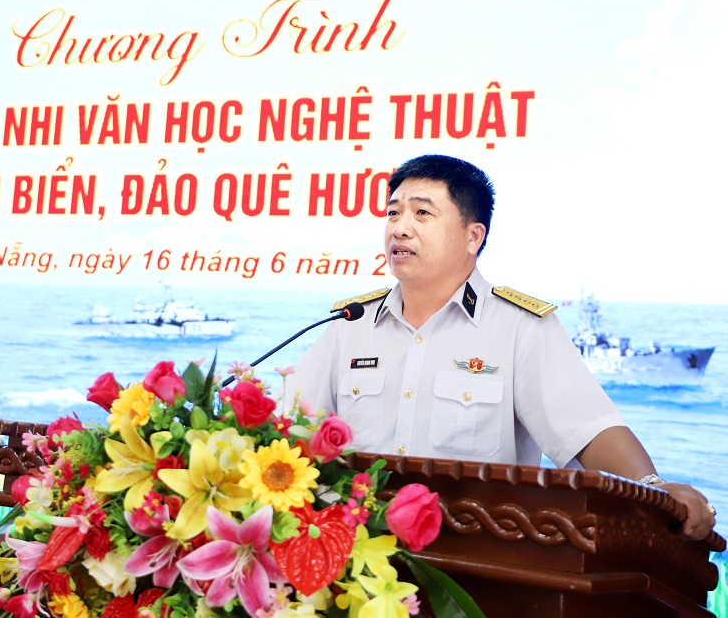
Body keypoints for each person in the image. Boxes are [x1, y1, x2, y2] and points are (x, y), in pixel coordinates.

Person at [289, 154, 715, 539]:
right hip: (355, 551)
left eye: (422, 213)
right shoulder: (350, 323)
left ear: (472, 236)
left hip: (474, 556)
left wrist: (654, 488)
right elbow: (289, 425)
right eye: (393, 212)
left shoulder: (520, 327)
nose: (399, 228)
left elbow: (588, 431)